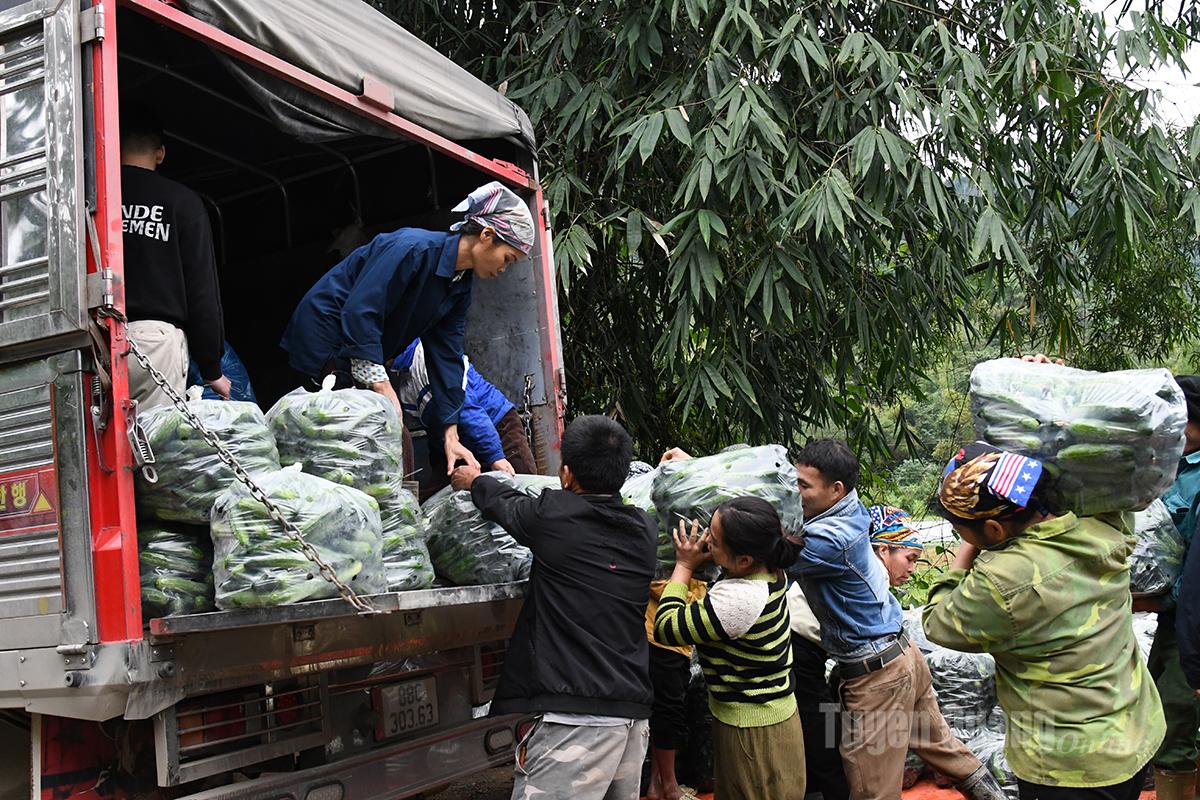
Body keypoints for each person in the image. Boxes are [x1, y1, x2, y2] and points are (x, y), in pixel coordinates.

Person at [925, 441, 1165, 800]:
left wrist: (966, 553)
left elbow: (937, 621)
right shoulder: (1100, 524)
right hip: (1134, 732)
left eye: (961, 531)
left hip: (1069, 765)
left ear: (994, 529)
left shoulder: (1001, 579)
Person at [449, 415, 656, 800]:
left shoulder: (556, 517)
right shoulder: (644, 529)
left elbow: (506, 504)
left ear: (566, 474)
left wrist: (474, 480)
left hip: (577, 722)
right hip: (631, 715)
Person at [788, 439, 997, 800]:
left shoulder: (831, 539)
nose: (796, 493)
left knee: (872, 788)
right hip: (903, 657)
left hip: (877, 676)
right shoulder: (851, 514)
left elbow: (764, 550)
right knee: (943, 747)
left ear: (835, 489)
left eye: (803, 486)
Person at [281, 181, 535, 474]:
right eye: (507, 259)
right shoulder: (411, 248)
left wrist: (451, 433)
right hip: (325, 341)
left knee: (384, 434)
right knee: (368, 436)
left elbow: (447, 357)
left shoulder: (460, 286)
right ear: (487, 235)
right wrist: (381, 384)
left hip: (360, 354)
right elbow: (361, 309)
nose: (504, 269)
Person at [653, 497, 805, 800]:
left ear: (744, 560)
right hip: (770, 715)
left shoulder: (739, 601)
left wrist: (684, 565)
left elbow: (666, 627)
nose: (706, 540)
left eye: (714, 539)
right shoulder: (770, 567)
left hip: (753, 731)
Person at [119, 102, 229, 408]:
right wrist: (212, 368)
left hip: (96, 340)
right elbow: (202, 290)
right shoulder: (183, 203)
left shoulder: (92, 200)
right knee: (154, 435)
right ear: (160, 154)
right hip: (156, 342)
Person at [1138, 375, 1200, 800]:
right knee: (1159, 705)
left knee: (1176, 718)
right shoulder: (1166, 465)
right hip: (1171, 619)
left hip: (1191, 620)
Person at [392, 338, 536, 483]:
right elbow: (434, 429)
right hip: (461, 439)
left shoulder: (426, 358)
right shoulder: (405, 383)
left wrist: (496, 457)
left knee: (522, 486)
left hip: (495, 426)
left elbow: (470, 412)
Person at [868, 505, 925, 588]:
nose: (911, 570)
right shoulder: (871, 585)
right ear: (883, 550)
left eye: (915, 561)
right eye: (909, 559)